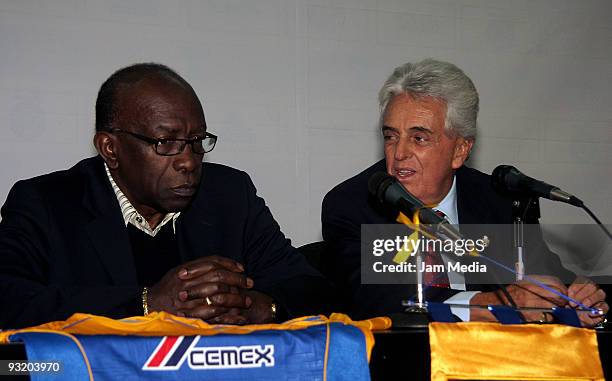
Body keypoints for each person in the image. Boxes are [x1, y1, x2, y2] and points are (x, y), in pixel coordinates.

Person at [0, 63, 332, 329]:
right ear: (110, 148)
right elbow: (10, 299)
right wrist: (147, 305)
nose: (188, 160)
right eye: (165, 142)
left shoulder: (230, 196)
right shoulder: (46, 203)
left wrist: (260, 307)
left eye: (197, 140)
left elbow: (312, 288)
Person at [322, 58, 608, 327]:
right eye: (391, 136)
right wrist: (492, 305)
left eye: (419, 138)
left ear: (460, 150)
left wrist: (576, 298)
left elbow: (545, 279)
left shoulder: (498, 202)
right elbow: (379, 303)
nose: (399, 153)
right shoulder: (353, 204)